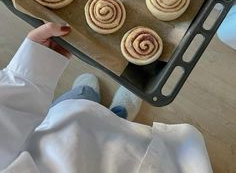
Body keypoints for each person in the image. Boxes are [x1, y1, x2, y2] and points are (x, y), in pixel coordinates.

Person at [0, 23, 213, 173]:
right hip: (117, 158)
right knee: (97, 121)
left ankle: (90, 101)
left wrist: (32, 71)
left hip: (57, 139)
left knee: (77, 106)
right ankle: (118, 114)